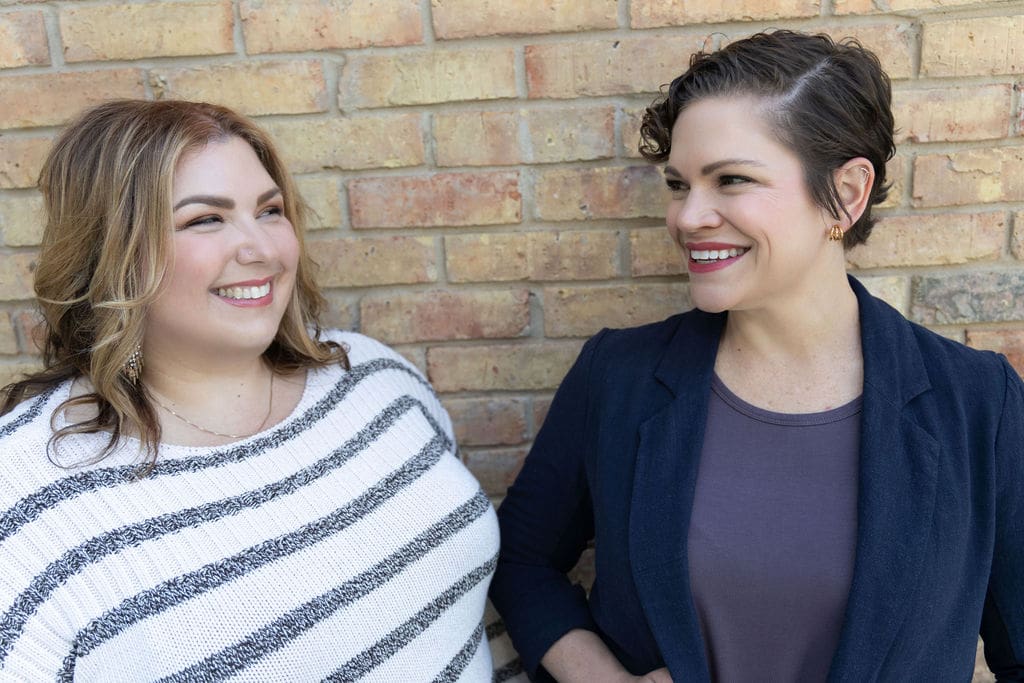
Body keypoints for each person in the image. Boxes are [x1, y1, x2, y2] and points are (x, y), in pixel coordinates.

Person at [490, 30, 1024, 682]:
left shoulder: (976, 404)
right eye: (680, 184)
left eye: (731, 179)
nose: (688, 217)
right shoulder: (619, 378)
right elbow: (521, 558)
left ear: (847, 194)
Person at [0, 99, 498, 681]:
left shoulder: (377, 380)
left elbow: (471, 619)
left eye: (270, 210)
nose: (261, 249)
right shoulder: (28, 496)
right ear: (111, 253)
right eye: (205, 219)